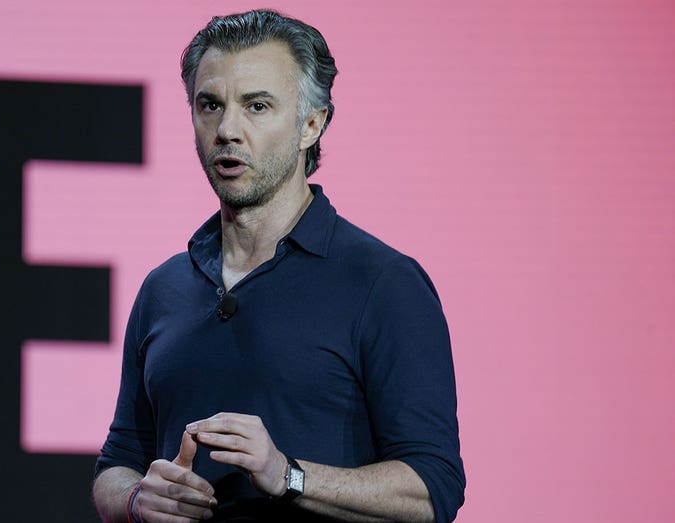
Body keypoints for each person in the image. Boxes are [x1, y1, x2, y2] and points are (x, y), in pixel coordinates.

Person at [93, 9, 465, 522]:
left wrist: (287, 475)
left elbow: (433, 488)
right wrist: (137, 500)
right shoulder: (163, 289)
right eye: (210, 105)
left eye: (257, 106)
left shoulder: (384, 283)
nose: (227, 129)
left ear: (312, 123)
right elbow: (117, 463)